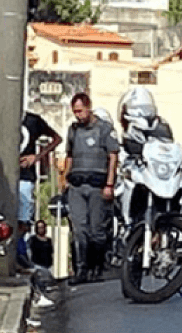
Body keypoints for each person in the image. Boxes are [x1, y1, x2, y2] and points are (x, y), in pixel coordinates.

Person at [61, 93, 119, 285]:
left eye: (80, 111)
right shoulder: (73, 130)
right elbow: (69, 155)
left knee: (97, 231)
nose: (78, 115)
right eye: (75, 112)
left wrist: (109, 184)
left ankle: (97, 267)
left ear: (88, 107)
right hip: (77, 185)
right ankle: (81, 269)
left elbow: (113, 157)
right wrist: (64, 178)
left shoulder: (104, 129)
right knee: (79, 230)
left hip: (97, 185)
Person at [19, 107, 63, 226]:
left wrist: (37, 157)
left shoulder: (32, 120)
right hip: (3, 177)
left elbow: (57, 138)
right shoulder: (1, 119)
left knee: (23, 220)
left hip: (25, 177)